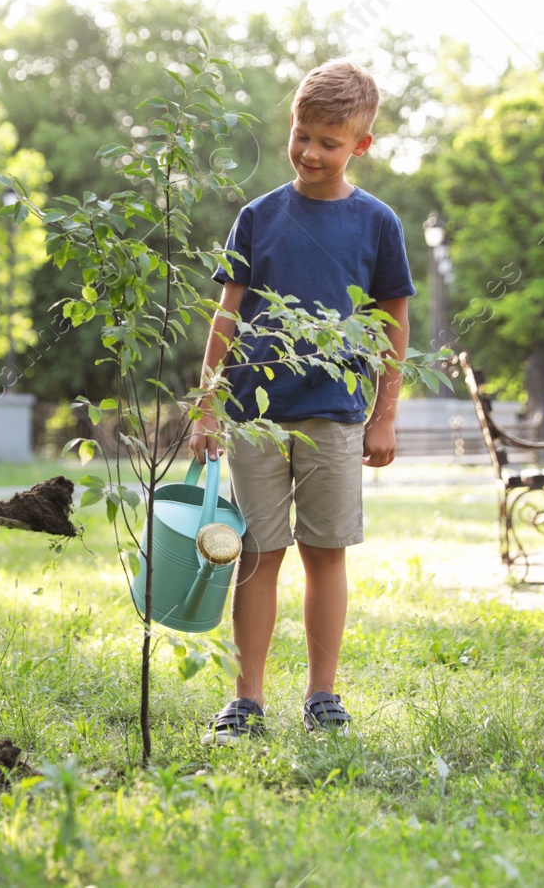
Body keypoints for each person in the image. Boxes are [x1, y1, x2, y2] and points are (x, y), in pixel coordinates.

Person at [190, 59, 413, 743]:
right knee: (256, 553)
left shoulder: (377, 224)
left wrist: (383, 415)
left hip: (336, 418)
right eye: (302, 135)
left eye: (329, 141)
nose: (311, 152)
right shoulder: (258, 218)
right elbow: (224, 316)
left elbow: (394, 325)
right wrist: (206, 404)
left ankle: (323, 696)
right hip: (256, 416)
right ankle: (246, 699)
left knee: (325, 552)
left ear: (360, 146)